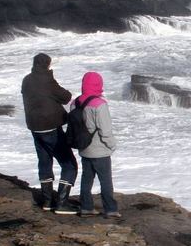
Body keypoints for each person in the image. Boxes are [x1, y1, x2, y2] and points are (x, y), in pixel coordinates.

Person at [21, 53, 78, 212]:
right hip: (50, 127)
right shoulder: (47, 79)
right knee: (69, 164)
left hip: (34, 128)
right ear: (47, 64)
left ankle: (47, 202)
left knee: (44, 161)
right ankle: (61, 203)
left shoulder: (27, 80)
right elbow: (66, 97)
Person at [74, 71, 120, 219]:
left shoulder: (76, 102)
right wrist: (112, 145)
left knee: (86, 178)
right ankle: (111, 209)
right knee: (105, 180)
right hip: (100, 150)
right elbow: (105, 130)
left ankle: (86, 207)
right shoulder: (100, 105)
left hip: (84, 148)